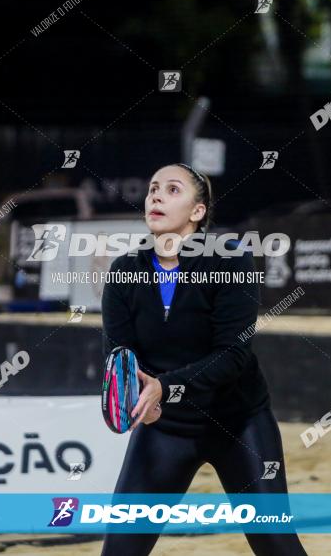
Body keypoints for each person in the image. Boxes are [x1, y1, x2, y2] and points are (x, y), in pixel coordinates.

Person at [100, 163, 307, 555]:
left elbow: (232, 355)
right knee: (119, 550)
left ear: (197, 212)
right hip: (166, 427)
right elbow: (119, 357)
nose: (156, 196)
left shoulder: (230, 262)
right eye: (152, 188)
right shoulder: (124, 271)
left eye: (172, 190)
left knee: (276, 543)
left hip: (238, 422)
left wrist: (165, 387)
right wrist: (135, 400)